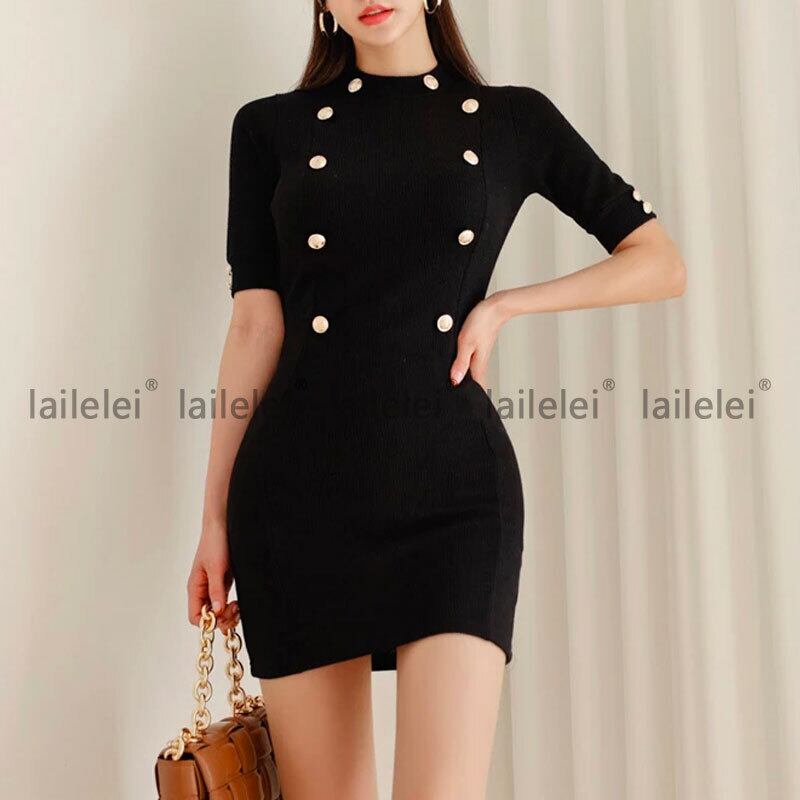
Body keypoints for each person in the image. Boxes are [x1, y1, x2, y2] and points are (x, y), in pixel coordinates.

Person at [187, 1, 686, 798]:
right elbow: (254, 324)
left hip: (453, 495)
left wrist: (505, 306)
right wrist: (213, 520)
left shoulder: (511, 120)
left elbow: (657, 261)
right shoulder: (268, 129)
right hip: (296, 495)